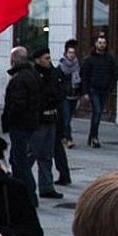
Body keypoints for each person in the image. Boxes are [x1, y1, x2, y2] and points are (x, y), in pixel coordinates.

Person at [0, 47, 58, 202]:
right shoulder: (32, 75)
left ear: (14, 61)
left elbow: (17, 105)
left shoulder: (20, 79)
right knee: (18, 160)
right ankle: (24, 194)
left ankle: (28, 196)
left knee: (21, 162)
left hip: (21, 125)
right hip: (31, 123)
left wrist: (9, 119)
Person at [36, 48, 72, 188]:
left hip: (53, 115)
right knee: (49, 149)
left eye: (49, 58)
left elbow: (60, 91)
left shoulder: (53, 73)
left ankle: (63, 174)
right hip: (46, 116)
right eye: (46, 58)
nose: (49, 61)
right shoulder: (38, 74)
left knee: (52, 148)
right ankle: (61, 175)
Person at [79, 34, 118, 147]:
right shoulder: (89, 59)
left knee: (98, 113)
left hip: (104, 89)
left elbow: (114, 74)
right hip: (93, 89)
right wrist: (85, 92)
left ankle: (92, 136)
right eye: (100, 43)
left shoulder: (110, 59)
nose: (102, 45)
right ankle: (94, 137)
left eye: (103, 43)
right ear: (96, 44)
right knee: (97, 111)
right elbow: (84, 76)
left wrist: (111, 87)